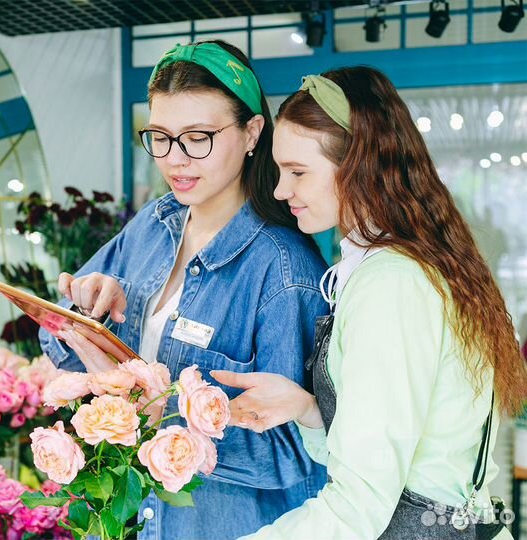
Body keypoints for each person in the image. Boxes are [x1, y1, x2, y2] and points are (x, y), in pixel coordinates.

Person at [213, 66, 527, 539]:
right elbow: (411, 449)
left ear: (359, 166)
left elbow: (357, 507)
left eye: (298, 171)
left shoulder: (391, 283)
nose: (281, 190)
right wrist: (309, 409)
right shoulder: (408, 264)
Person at [39, 40, 328, 539]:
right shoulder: (153, 225)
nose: (176, 160)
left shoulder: (283, 272)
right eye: (161, 137)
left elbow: (293, 452)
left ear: (252, 132)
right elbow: (59, 349)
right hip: (135, 521)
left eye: (198, 137)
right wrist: (89, 309)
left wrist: (155, 410)